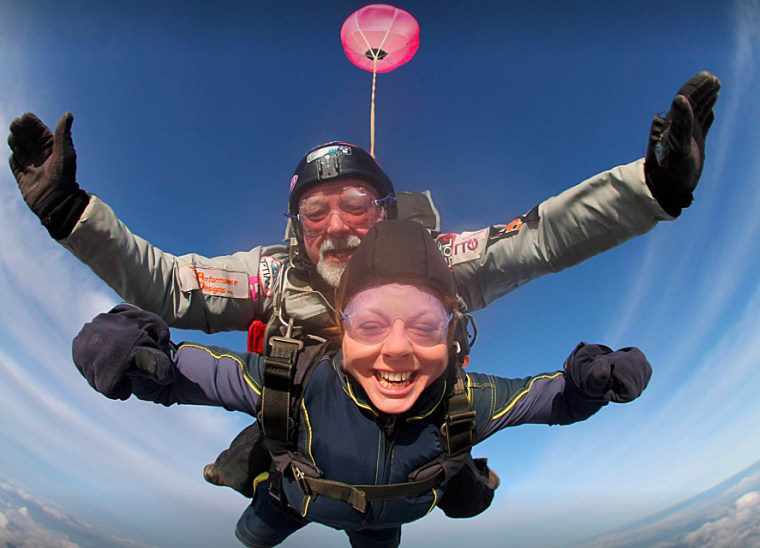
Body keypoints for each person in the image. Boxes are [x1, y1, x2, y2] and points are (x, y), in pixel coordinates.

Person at [8, 71, 719, 491]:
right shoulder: (270, 274)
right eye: (317, 211)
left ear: (386, 214)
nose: (340, 226)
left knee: (382, 519)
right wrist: (71, 213)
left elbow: (536, 239)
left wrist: (650, 186)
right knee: (270, 504)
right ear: (295, 228)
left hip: (412, 432)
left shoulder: (431, 259)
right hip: (300, 431)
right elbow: (169, 286)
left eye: (358, 206)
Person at [73, 219, 653, 548]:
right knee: (250, 536)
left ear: (454, 337)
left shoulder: (464, 401)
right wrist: (129, 354)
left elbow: (553, 398)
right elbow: (187, 371)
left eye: (425, 324)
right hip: (290, 502)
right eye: (370, 322)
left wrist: (593, 379)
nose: (396, 346)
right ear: (339, 332)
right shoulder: (293, 380)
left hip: (382, 526)